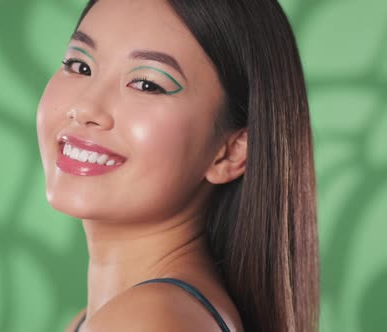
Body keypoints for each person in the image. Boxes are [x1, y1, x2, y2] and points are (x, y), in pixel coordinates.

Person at [36, 0, 319, 331]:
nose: (85, 107)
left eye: (147, 84)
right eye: (79, 65)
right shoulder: (99, 320)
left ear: (231, 153)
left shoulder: (148, 320)